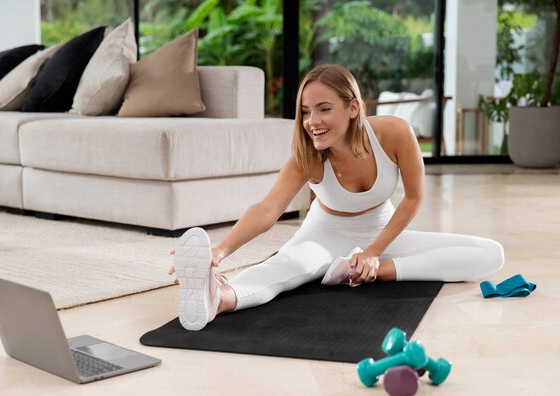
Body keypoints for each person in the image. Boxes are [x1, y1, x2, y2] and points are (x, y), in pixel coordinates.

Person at [169, 64, 504, 331]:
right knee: (284, 269)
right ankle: (217, 297)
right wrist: (220, 250)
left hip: (381, 233)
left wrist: (373, 255)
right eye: (305, 112)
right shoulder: (307, 157)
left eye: (324, 109)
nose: (312, 122)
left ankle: (366, 271)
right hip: (325, 234)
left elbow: (414, 198)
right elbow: (268, 208)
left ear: (353, 107)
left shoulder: (394, 133)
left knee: (490, 254)